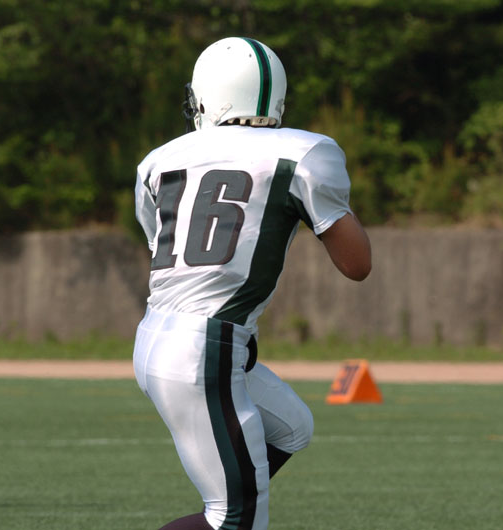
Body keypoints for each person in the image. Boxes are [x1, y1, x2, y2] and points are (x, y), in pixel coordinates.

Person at [132, 37, 372, 530]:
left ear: (207, 98)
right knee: (233, 517)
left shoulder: (160, 160)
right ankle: (232, 501)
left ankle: (235, 486)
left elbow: (164, 250)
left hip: (158, 336)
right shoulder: (304, 152)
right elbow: (357, 264)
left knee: (291, 428)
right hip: (205, 347)